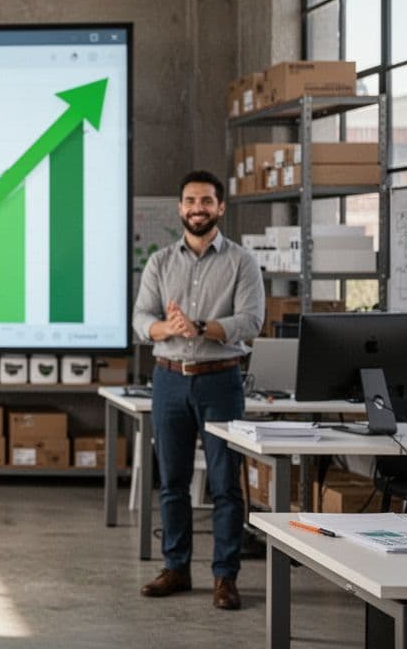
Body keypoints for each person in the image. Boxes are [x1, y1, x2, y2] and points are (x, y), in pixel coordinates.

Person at [131, 169, 264, 610]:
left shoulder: (241, 262)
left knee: (225, 484)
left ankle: (224, 577)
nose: (197, 208)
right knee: (172, 482)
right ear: (180, 207)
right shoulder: (160, 262)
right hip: (169, 379)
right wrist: (166, 327)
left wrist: (202, 328)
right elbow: (140, 318)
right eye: (190, 201)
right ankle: (176, 568)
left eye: (206, 201)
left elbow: (251, 321)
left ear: (220, 207)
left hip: (221, 380)